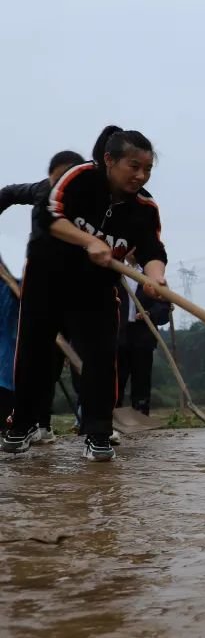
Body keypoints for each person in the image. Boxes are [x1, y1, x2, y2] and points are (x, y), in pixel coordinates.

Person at [1, 126, 167, 462]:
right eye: (133, 166)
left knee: (102, 357)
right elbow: (50, 217)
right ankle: (23, 425)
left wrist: (155, 278)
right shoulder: (78, 178)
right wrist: (90, 241)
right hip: (48, 280)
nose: (140, 175)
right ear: (109, 160)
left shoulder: (144, 209)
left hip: (97, 290)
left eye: (147, 169)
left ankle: (98, 433)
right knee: (34, 352)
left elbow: (152, 249)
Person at [0, 150, 86, 443]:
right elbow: (9, 193)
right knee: (43, 360)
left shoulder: (85, 197)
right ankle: (41, 424)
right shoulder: (40, 190)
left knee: (85, 354)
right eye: (58, 179)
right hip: (42, 285)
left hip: (79, 287)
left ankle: (93, 422)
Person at [116, 267, 171, 415]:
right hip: (118, 333)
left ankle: (141, 412)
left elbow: (164, 306)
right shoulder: (116, 271)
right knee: (116, 377)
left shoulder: (151, 276)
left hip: (143, 334)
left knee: (142, 378)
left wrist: (150, 314)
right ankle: (112, 415)